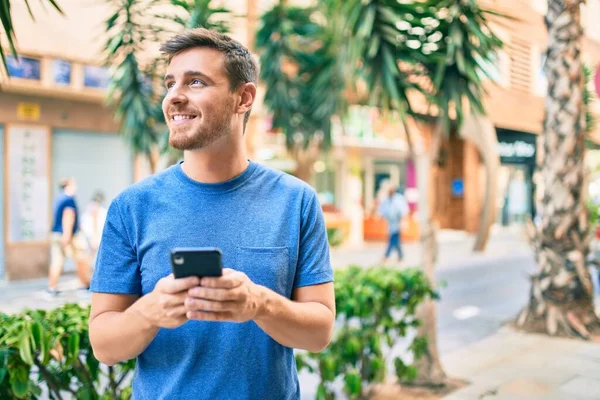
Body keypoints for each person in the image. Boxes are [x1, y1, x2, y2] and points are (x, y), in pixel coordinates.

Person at [88, 28, 335, 400]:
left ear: (244, 97)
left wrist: (259, 303)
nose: (174, 97)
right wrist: (151, 312)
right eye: (170, 84)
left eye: (196, 82)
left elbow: (319, 333)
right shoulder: (132, 206)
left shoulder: (296, 200)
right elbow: (104, 346)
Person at [48, 177, 91, 295]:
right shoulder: (68, 200)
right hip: (69, 236)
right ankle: (85, 285)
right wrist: (67, 236)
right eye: (73, 185)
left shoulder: (59, 199)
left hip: (57, 234)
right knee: (81, 259)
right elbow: (68, 216)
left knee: (56, 261)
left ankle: (52, 288)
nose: (75, 187)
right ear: (67, 186)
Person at [378, 184, 409, 264]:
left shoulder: (398, 199)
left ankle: (386, 255)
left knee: (393, 238)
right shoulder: (386, 200)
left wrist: (403, 221)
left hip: (398, 222)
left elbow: (403, 211)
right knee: (395, 240)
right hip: (390, 223)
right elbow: (382, 210)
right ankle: (400, 255)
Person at [80, 191, 107, 265]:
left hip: (93, 237)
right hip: (91, 237)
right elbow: (93, 222)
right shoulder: (94, 208)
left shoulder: (99, 210)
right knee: (90, 259)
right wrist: (94, 238)